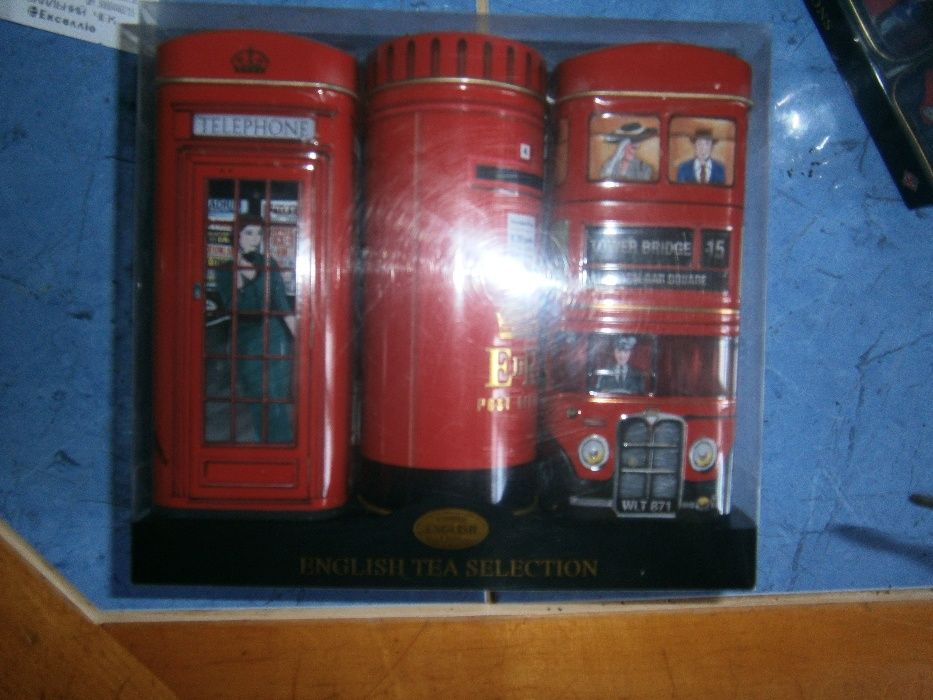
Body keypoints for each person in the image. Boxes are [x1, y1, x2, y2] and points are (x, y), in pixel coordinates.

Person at [210, 218, 296, 443]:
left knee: (276, 397)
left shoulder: (269, 263)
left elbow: (280, 302)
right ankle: (265, 444)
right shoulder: (225, 269)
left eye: (258, 233)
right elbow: (234, 305)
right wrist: (244, 275)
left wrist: (301, 337)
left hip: (273, 333)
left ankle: (282, 446)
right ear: (237, 236)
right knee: (257, 397)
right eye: (249, 233)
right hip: (245, 335)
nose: (255, 239)